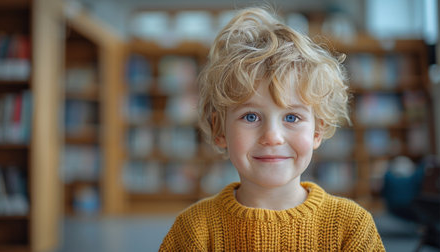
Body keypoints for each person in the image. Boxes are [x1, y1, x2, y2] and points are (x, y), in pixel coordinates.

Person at [159, 6, 385, 251]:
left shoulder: (351, 226)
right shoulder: (194, 229)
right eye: (251, 116)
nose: (272, 137)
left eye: (291, 117)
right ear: (219, 130)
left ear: (317, 130)